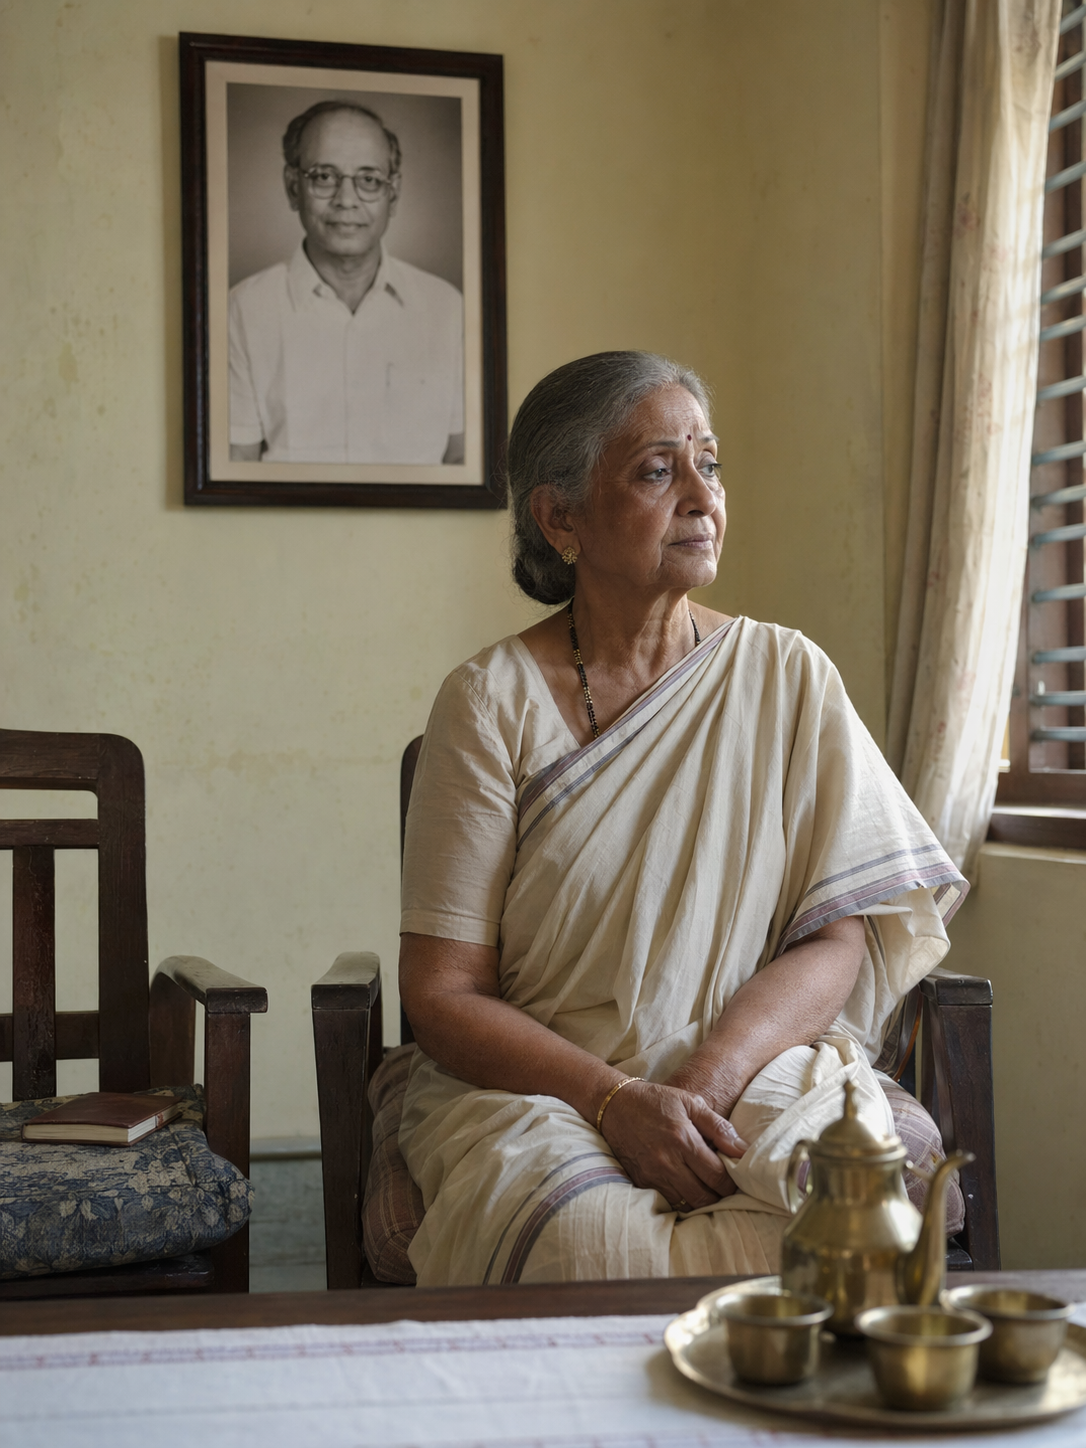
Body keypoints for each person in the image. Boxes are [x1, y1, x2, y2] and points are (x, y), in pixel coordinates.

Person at [397, 352, 966, 1286]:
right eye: (659, 470)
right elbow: (445, 994)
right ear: (560, 517)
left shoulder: (787, 676)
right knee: (586, 1253)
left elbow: (838, 941)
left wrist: (701, 1087)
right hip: (548, 1086)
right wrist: (617, 1098)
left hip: (753, 1061)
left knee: (855, 1215)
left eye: (711, 462)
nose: (703, 496)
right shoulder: (487, 702)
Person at [228, 100, 464, 466]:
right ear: (293, 187)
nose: (347, 200)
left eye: (369, 180)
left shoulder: (448, 308)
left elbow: (462, 457)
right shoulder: (242, 309)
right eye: (324, 176)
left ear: (393, 192)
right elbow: (235, 462)